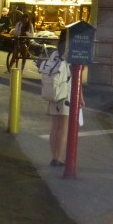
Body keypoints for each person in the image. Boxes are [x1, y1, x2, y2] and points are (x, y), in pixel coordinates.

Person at [40, 31, 74, 166]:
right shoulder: (71, 55)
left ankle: (54, 155)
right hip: (66, 93)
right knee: (64, 126)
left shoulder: (55, 54)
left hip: (54, 93)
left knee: (55, 126)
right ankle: (59, 157)